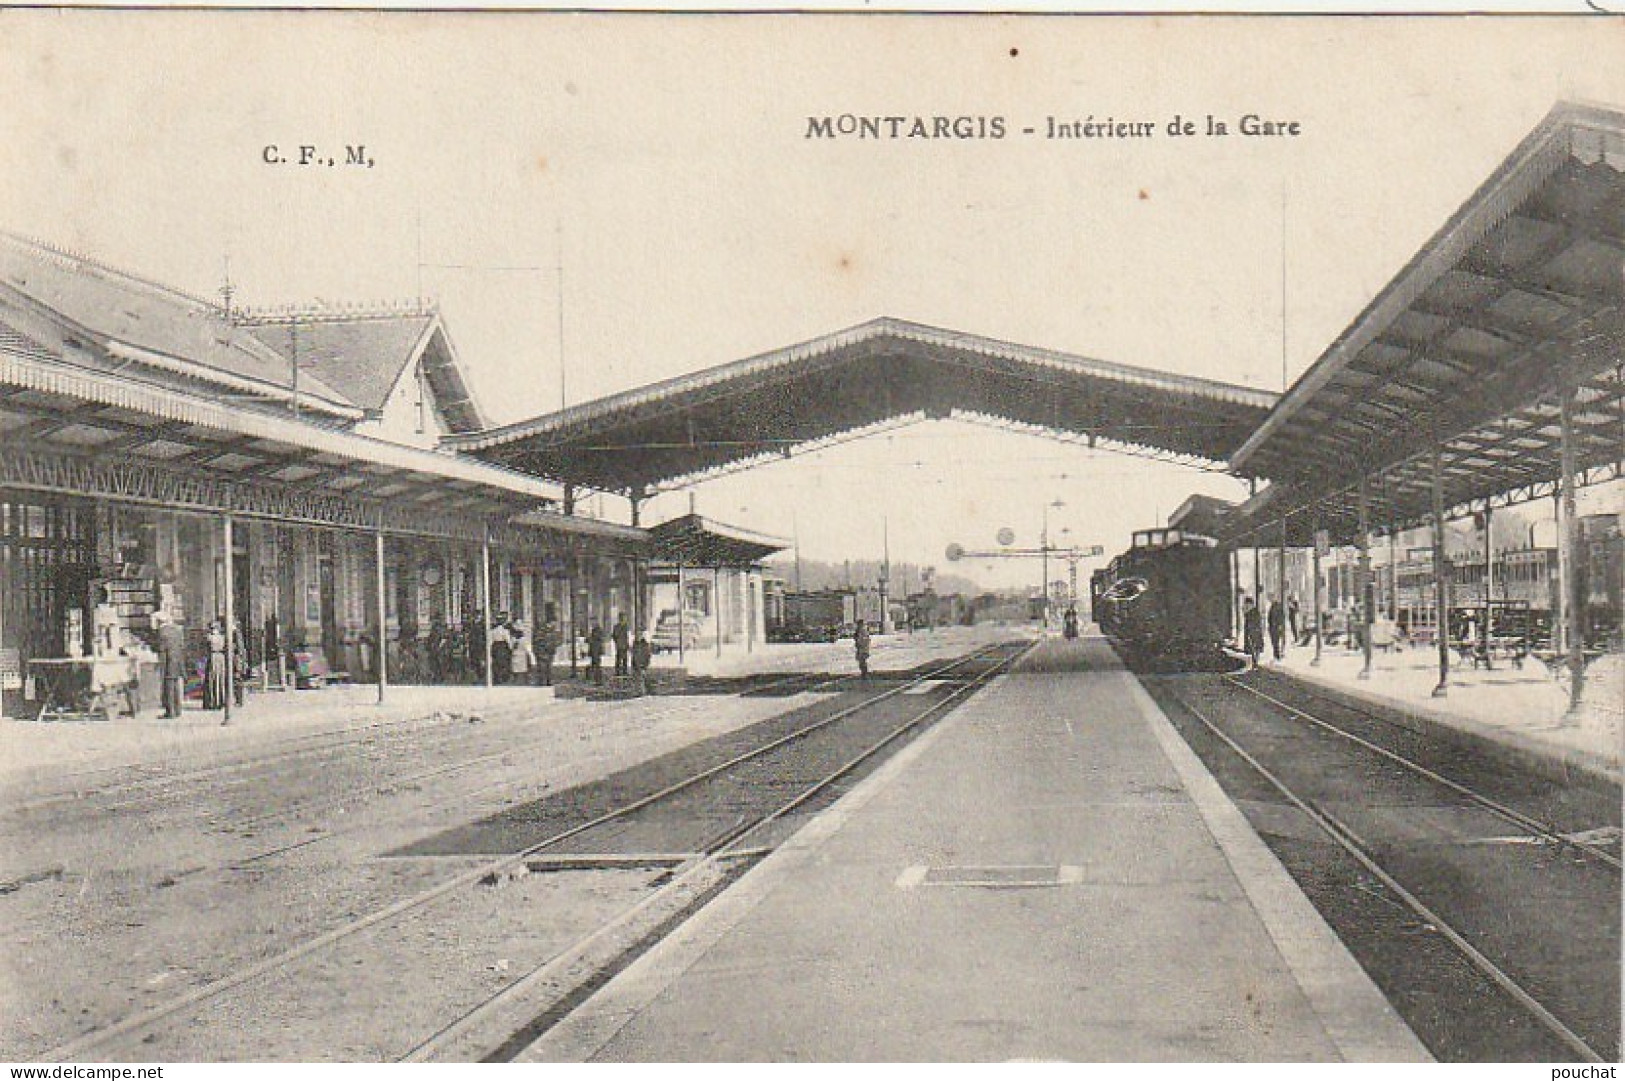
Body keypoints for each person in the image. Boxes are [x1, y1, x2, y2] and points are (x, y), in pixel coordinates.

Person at [155, 611, 186, 719]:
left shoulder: (162, 632)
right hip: (177, 661)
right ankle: (177, 710)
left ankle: (170, 711)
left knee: (168, 687)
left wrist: (160, 664)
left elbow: (162, 650)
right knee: (176, 685)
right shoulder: (177, 630)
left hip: (168, 661)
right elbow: (182, 646)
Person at [203, 619, 228, 712]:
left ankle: (215, 701)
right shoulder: (222, 637)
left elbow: (205, 647)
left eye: (214, 628)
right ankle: (218, 701)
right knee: (216, 679)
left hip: (215, 658)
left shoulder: (209, 637)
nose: (213, 630)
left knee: (215, 679)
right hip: (219, 658)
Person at [489, 614, 512, 684]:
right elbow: (508, 641)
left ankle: (497, 677)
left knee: (496, 663)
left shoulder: (493, 631)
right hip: (502, 647)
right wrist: (510, 649)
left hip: (495, 647)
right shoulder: (505, 631)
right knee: (503, 662)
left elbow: (490, 641)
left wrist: (490, 649)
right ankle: (502, 677)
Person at [1242, 597, 1264, 670]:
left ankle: (1255, 664)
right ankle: (1254, 664)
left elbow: (1253, 625)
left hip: (1254, 634)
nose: (1246, 606)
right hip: (1253, 634)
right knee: (1254, 649)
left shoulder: (1253, 613)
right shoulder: (1252, 612)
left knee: (1254, 649)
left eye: (1247, 604)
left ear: (1250, 604)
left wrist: (1250, 635)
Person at [510, 619, 533, 684]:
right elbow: (511, 646)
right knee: (515, 668)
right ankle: (515, 679)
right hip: (516, 654)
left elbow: (527, 648)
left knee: (524, 667)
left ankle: (526, 679)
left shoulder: (524, 639)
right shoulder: (513, 639)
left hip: (522, 654)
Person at [535, 619, 557, 687]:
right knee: (543, 667)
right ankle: (543, 681)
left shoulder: (552, 633)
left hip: (548, 652)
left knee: (548, 667)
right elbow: (538, 642)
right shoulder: (542, 633)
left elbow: (554, 643)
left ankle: (547, 681)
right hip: (543, 651)